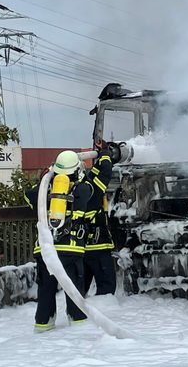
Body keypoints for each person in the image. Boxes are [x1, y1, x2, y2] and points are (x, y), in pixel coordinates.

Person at [25, 149, 88, 332]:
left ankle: (43, 323)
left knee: (45, 289)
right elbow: (90, 200)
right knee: (73, 288)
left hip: (46, 249)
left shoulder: (45, 190)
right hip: (71, 248)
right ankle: (78, 323)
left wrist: (44, 180)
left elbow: (28, 197)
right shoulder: (83, 188)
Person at [79, 141, 118, 296]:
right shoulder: (92, 190)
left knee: (80, 289)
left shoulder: (74, 189)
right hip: (98, 246)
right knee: (107, 287)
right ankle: (100, 316)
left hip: (80, 247)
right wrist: (106, 155)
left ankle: (78, 315)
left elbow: (94, 174)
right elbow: (106, 172)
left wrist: (100, 156)